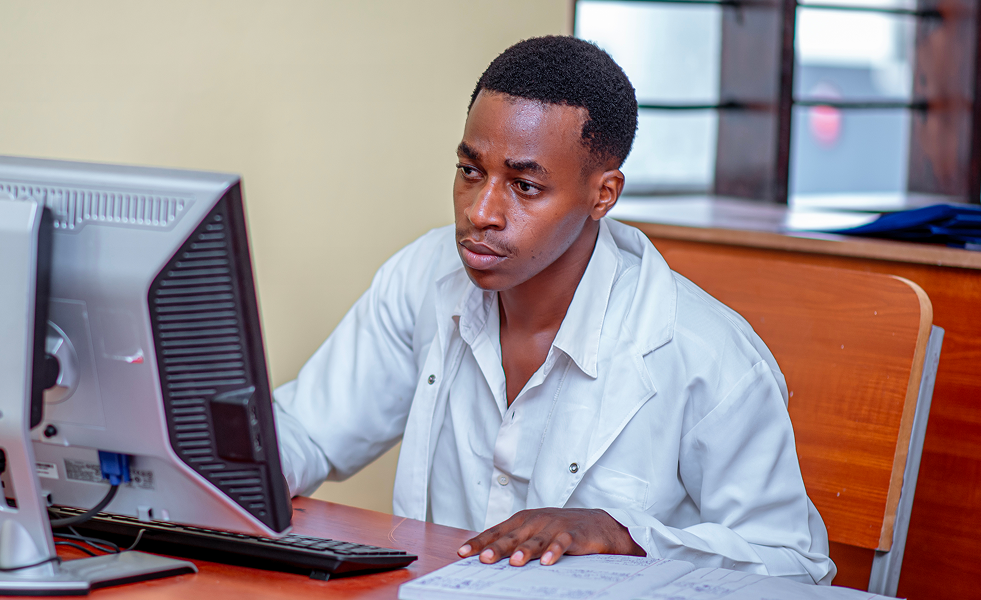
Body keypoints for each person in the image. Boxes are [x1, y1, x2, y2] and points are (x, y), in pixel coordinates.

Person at [271, 35, 836, 584]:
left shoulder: (705, 355)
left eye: (524, 186)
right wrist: (235, 468)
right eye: (471, 171)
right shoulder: (424, 276)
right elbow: (310, 431)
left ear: (603, 194)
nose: (481, 212)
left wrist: (625, 535)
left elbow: (795, 566)